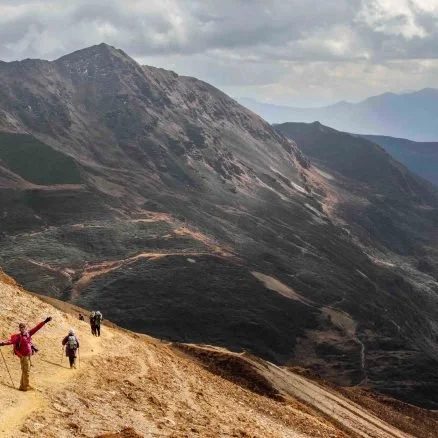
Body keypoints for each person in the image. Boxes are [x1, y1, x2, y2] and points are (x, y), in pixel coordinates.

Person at [0, 317, 52, 391]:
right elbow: (10, 341)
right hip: (23, 356)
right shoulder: (18, 337)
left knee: (24, 371)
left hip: (28, 355)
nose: (22, 328)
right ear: (19, 328)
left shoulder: (28, 333)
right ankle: (26, 386)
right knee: (26, 371)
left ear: (25, 327)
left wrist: (45, 322)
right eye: (21, 327)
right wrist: (2, 343)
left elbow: (37, 328)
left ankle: (22, 386)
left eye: (23, 327)